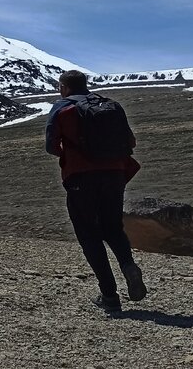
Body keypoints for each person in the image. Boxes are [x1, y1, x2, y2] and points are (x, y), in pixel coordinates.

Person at [45, 70, 147, 312]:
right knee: (113, 228)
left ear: (64, 87)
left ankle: (109, 296)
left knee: (89, 235)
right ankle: (128, 265)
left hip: (81, 177)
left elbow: (51, 146)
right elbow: (130, 142)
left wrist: (71, 154)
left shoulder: (62, 109)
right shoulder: (110, 105)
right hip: (114, 174)